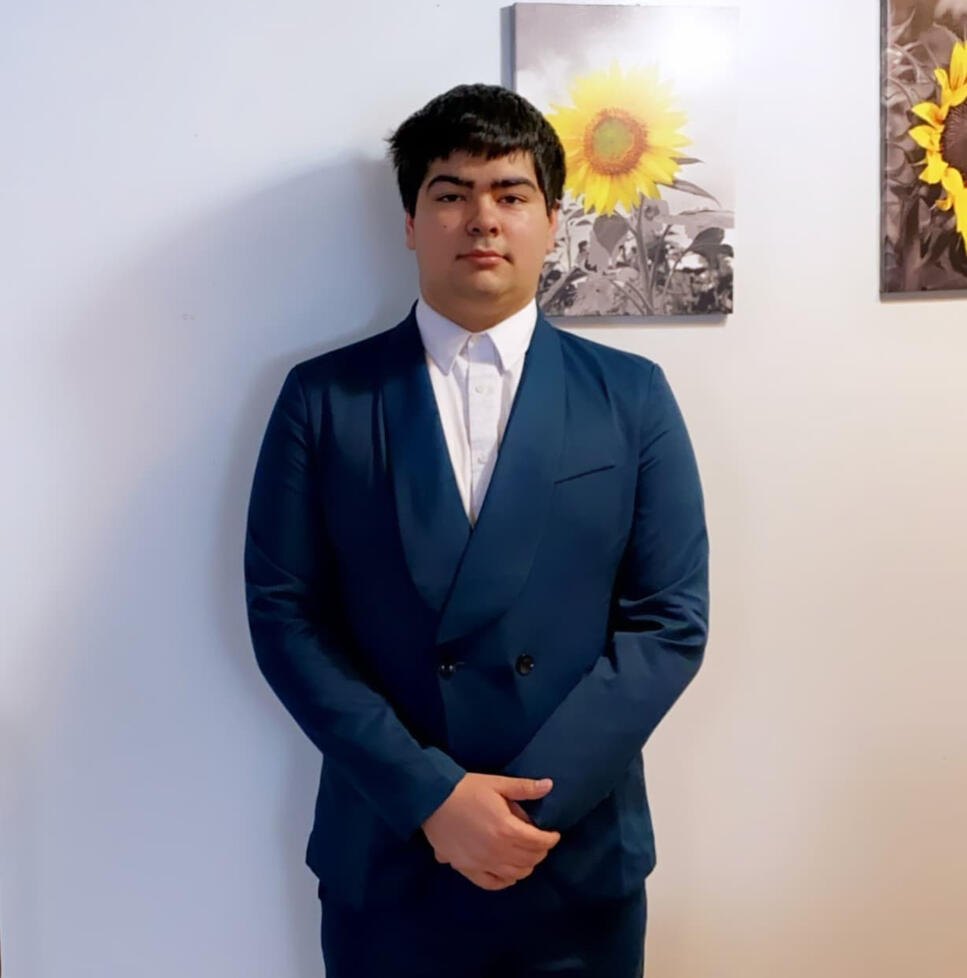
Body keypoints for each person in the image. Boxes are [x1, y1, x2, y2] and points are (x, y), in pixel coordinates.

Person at [244, 83, 709, 977]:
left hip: (572, 855)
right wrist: (431, 797)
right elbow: (285, 616)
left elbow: (667, 623)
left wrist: (525, 812)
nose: (481, 218)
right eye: (450, 193)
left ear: (552, 219)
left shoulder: (632, 397)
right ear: (410, 222)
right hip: (389, 850)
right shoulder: (323, 399)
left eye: (510, 193)